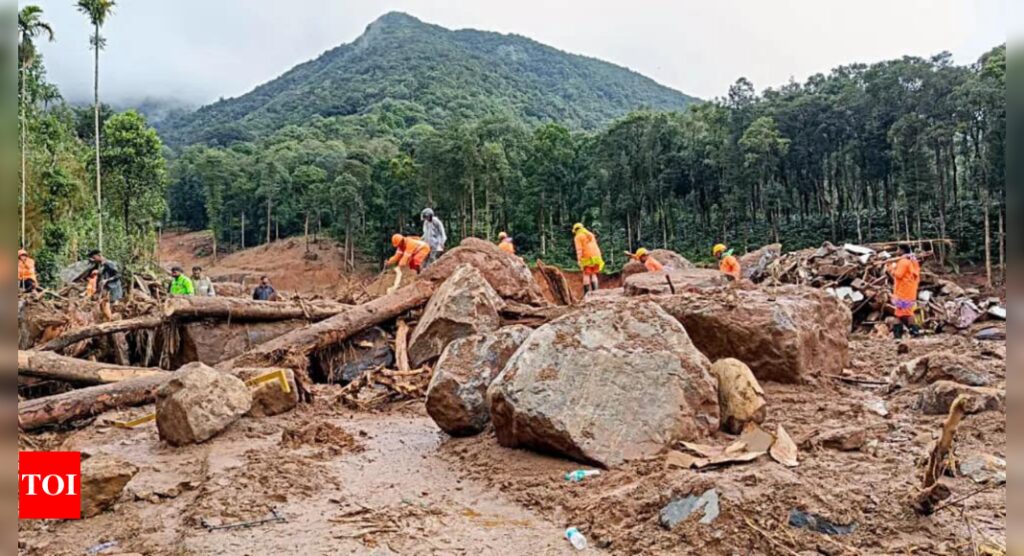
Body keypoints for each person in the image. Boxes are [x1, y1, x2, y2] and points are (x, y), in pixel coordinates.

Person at [887, 243, 922, 339]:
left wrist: (891, 268)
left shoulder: (903, 262)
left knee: (905, 313)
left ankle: (913, 332)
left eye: (898, 249)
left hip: (903, 292)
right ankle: (901, 334)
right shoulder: (913, 261)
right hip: (910, 291)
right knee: (900, 313)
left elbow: (898, 275)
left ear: (902, 250)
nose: (897, 252)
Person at [572, 223, 604, 295]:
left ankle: (587, 294)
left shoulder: (578, 237)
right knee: (593, 274)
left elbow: (579, 250)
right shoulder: (590, 234)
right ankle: (596, 293)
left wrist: (579, 260)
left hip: (587, 257)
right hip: (597, 256)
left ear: (576, 230)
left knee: (586, 274)